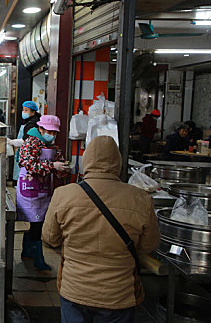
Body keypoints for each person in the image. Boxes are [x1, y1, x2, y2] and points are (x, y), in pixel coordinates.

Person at [42, 136, 160, 323]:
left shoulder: (63, 195)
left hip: (75, 289)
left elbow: (50, 238)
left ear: (86, 160)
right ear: (118, 163)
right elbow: (149, 244)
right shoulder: (140, 198)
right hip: (119, 294)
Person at [17, 115, 70, 270]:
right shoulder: (30, 143)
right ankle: (37, 258)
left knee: (37, 223)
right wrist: (53, 166)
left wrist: (64, 169)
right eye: (49, 132)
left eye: (54, 133)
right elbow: (29, 165)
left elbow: (58, 166)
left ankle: (27, 252)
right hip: (29, 188)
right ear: (40, 129)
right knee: (36, 223)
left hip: (44, 189)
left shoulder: (54, 147)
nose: (51, 136)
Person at [9, 101, 41, 181]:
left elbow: (25, 141)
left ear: (33, 112)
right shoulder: (27, 122)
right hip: (22, 150)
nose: (24, 112)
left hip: (29, 151)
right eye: (23, 110)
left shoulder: (32, 124)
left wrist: (11, 142)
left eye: (26, 110)